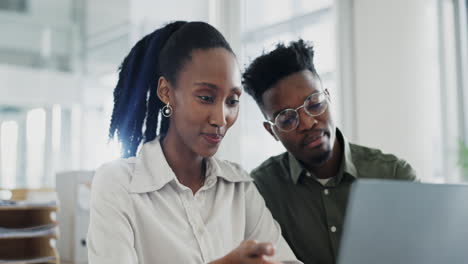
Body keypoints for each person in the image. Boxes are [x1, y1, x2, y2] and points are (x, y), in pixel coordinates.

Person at [87, 21, 301, 264]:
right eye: (206, 97)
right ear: (166, 93)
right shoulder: (118, 185)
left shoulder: (238, 186)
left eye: (232, 101)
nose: (221, 119)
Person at [242, 39, 418, 264]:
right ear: (272, 131)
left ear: (328, 97)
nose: (307, 123)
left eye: (314, 104)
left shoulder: (395, 176)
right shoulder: (259, 192)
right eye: (287, 118)